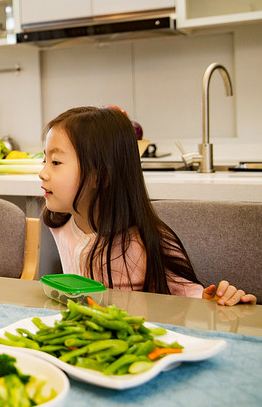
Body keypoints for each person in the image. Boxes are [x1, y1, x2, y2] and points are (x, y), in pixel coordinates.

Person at [39, 106, 255, 306]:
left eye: (56, 162)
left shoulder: (146, 242)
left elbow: (197, 301)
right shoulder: (60, 223)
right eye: (44, 161)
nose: (43, 173)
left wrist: (224, 299)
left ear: (102, 174)